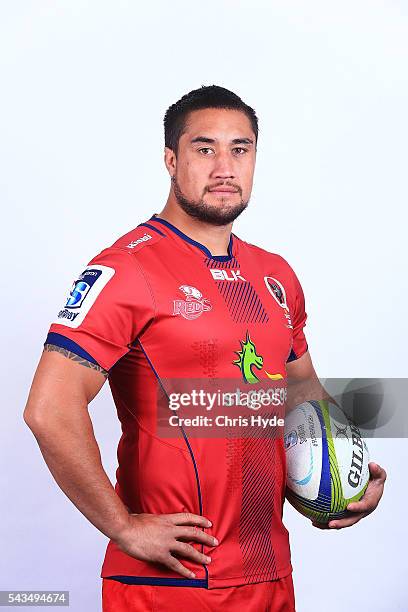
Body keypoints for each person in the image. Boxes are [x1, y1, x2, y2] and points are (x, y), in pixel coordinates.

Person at [24, 85, 387, 611]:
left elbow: (300, 390)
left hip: (269, 575)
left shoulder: (274, 273)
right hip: (170, 582)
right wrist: (123, 527)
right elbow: (49, 408)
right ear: (171, 160)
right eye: (204, 148)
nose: (225, 167)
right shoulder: (128, 269)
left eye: (240, 149)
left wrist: (332, 483)